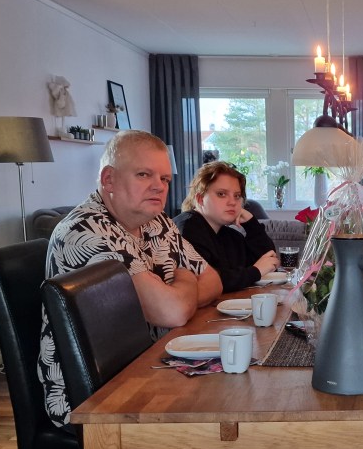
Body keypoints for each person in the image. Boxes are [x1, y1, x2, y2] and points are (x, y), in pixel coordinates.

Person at [38, 131, 222, 428]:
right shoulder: (86, 231)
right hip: (97, 396)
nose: (159, 186)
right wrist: (186, 276)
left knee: (233, 388)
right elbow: (173, 312)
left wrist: (178, 296)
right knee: (224, 410)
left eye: (164, 179)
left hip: (150, 363)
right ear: (109, 180)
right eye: (143, 174)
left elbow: (213, 281)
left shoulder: (157, 221)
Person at [174, 161, 279, 293]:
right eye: (221, 194)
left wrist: (251, 224)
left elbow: (269, 261)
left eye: (237, 196)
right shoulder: (188, 227)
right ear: (200, 199)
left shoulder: (230, 235)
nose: (232, 202)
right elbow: (205, 282)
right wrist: (255, 271)